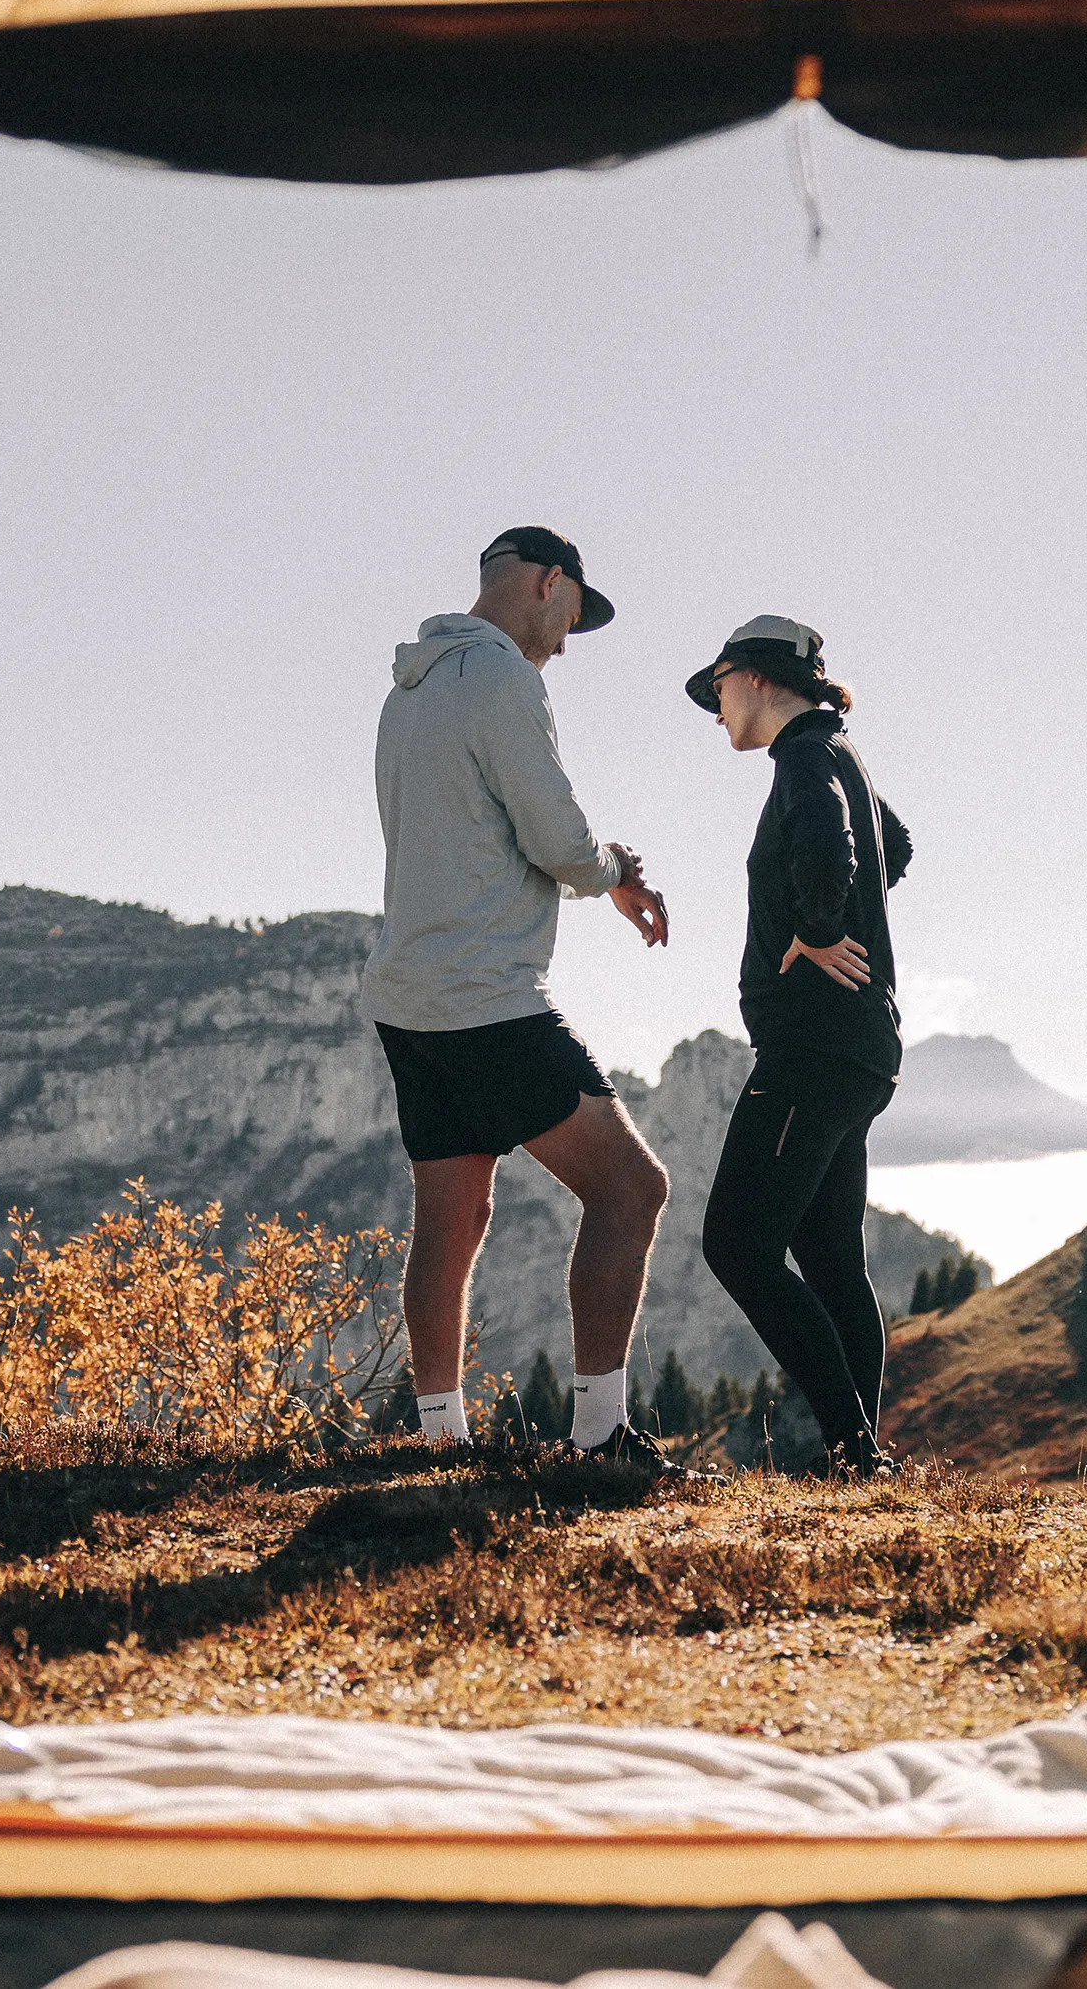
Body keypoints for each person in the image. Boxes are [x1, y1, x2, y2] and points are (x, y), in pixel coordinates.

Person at [368, 526, 679, 1470]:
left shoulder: (407, 689)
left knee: (452, 1221)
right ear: (547, 584)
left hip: (407, 992)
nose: (565, 643)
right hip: (485, 997)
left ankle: (439, 1444)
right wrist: (616, 867)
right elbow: (553, 834)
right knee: (633, 1189)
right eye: (572, 618)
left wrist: (592, 864)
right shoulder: (504, 679)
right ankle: (600, 1439)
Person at [684, 615, 914, 1478]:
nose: (715, 710)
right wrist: (848, 918)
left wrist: (818, 928)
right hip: (859, 1050)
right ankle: (861, 1464)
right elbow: (896, 843)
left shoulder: (806, 761)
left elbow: (835, 843)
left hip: (813, 1050)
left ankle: (856, 1451)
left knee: (737, 1246)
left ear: (754, 679)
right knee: (826, 1257)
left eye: (717, 689)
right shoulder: (838, 752)